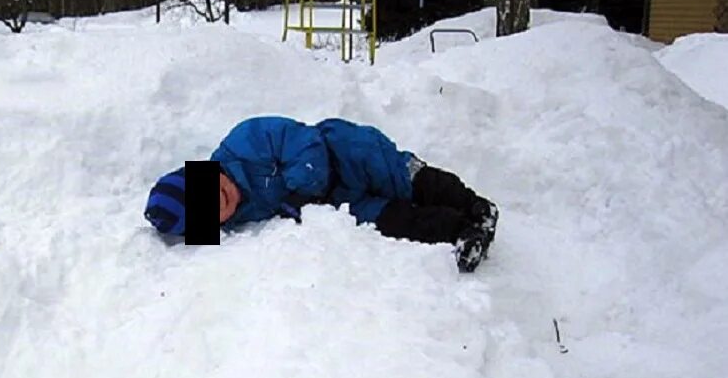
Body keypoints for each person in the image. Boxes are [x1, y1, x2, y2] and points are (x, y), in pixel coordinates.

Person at [145, 116, 498, 272]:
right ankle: (460, 231)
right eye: (207, 213)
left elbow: (302, 142)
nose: (218, 202)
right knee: (391, 220)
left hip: (346, 153)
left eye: (206, 191)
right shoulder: (242, 216)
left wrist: (301, 191)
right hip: (338, 203)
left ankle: (475, 206)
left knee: (410, 180)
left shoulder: (245, 141)